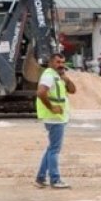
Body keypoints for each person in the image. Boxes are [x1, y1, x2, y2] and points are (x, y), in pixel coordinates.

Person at [35, 52, 76, 189]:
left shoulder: (58, 76)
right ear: (50, 62)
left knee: (51, 148)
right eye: (58, 62)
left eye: (63, 62)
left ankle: (40, 177)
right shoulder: (48, 75)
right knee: (54, 149)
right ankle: (55, 179)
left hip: (58, 117)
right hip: (54, 118)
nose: (61, 65)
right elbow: (41, 93)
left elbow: (73, 90)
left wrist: (66, 79)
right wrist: (52, 108)